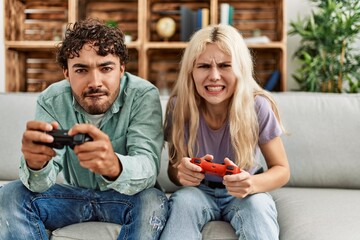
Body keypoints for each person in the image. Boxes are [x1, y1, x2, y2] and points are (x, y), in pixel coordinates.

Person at [0, 18, 168, 240]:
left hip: (128, 200)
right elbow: (41, 183)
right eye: (81, 70)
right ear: (66, 73)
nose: (95, 82)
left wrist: (114, 166)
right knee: (10, 194)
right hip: (73, 199)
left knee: (153, 201)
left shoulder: (143, 95)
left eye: (106, 68)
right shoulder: (51, 100)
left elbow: (148, 166)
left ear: (122, 69)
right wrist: (36, 164)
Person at [160, 24, 290, 240]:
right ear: (191, 71)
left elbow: (282, 169)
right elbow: (174, 171)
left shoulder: (258, 105)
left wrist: (252, 184)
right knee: (182, 203)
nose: (214, 76)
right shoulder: (178, 106)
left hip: (246, 192)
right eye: (203, 66)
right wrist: (181, 174)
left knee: (258, 207)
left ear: (240, 68)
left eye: (225, 65)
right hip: (198, 191)